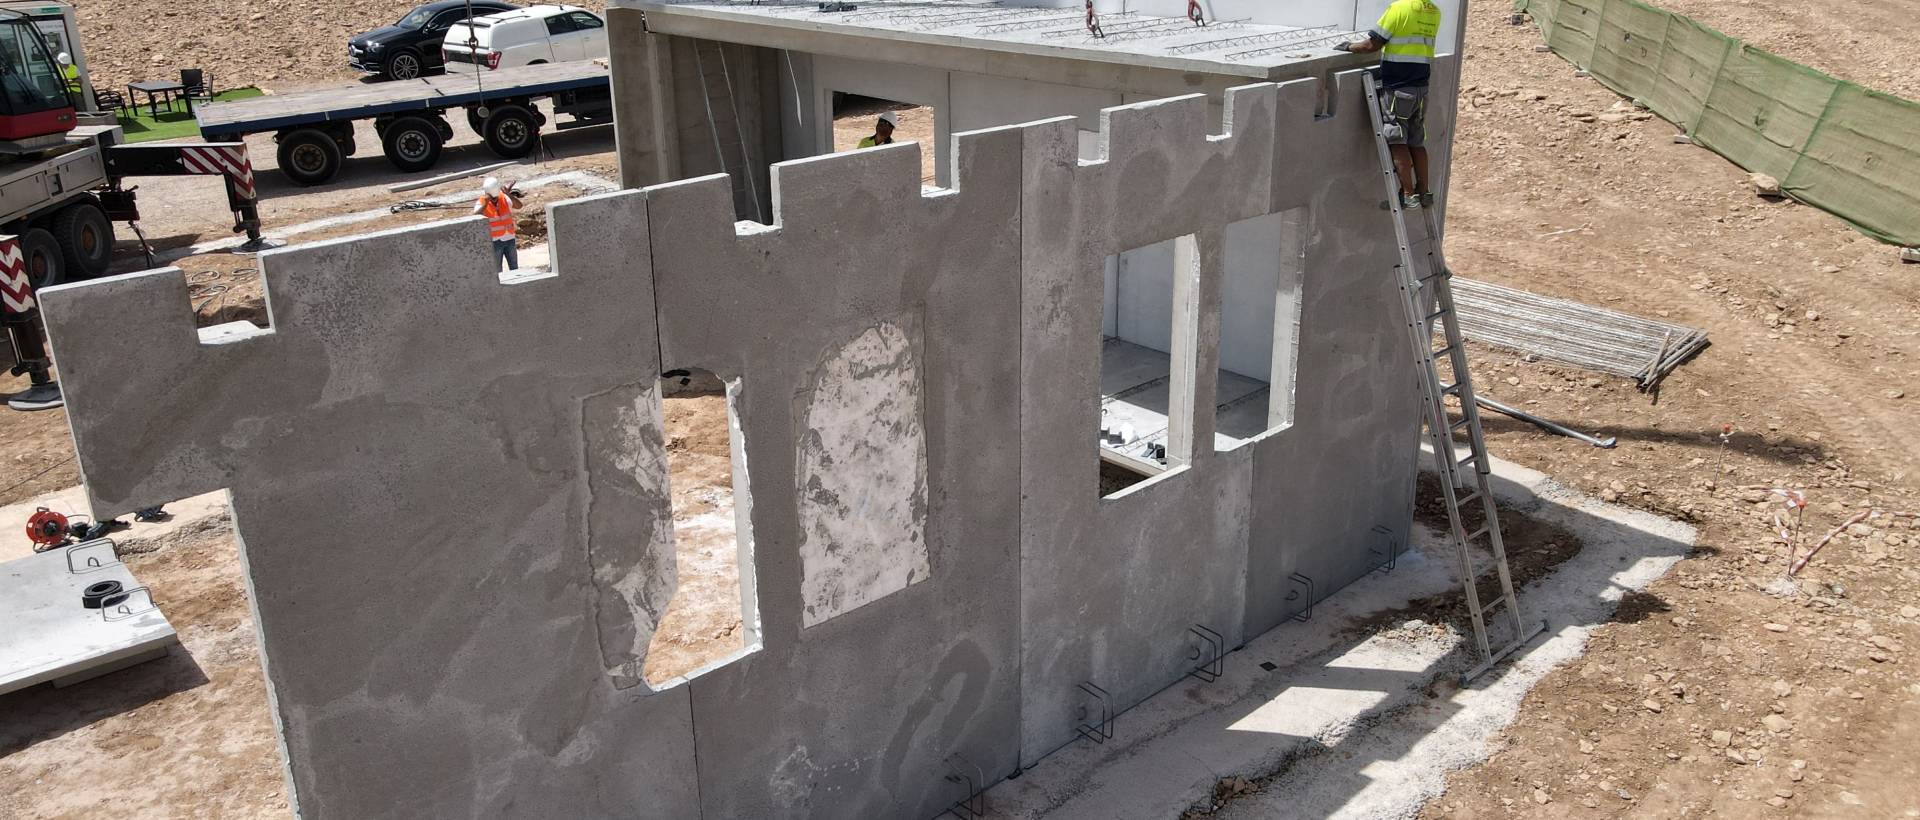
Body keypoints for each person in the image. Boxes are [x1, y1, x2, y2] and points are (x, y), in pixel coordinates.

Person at [1336, 0, 1441, 209]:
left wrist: (1348, 47)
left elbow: (1371, 45)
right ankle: (1424, 192)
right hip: (1421, 88)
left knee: (1397, 140)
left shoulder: (1399, 9)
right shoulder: (1433, 11)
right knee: (1417, 141)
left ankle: (1408, 195)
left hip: (1399, 89)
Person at [473, 176, 524, 272]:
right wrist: (486, 203)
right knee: (498, 271)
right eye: (492, 198)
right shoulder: (481, 202)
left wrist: (509, 195)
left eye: (495, 198)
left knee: (514, 268)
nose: (494, 200)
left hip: (510, 238)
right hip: (495, 242)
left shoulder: (504, 197)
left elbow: (519, 206)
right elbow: (475, 216)